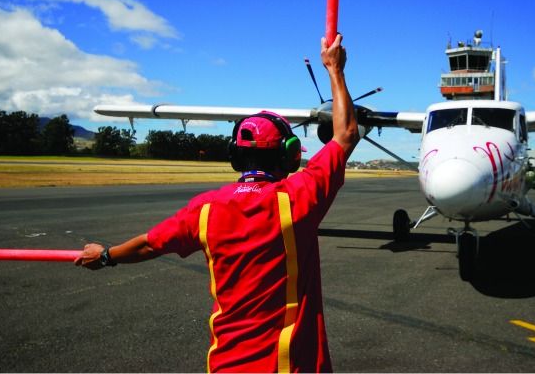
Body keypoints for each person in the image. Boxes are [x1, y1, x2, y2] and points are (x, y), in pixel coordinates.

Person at [75, 34, 359, 373]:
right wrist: (335, 69)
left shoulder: (205, 209)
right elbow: (346, 134)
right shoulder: (298, 198)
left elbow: (147, 246)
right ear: (290, 154)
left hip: (225, 365)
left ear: (236, 156)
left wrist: (105, 255)